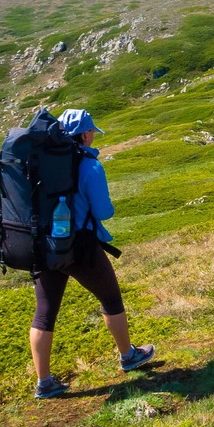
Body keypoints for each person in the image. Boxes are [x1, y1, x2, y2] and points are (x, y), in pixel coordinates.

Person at [30, 109, 154, 398]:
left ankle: (44, 382)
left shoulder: (42, 164)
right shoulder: (89, 166)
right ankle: (128, 356)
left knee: (45, 313)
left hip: (45, 245)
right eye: (92, 131)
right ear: (85, 134)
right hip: (81, 245)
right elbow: (103, 211)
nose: (94, 135)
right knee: (111, 299)